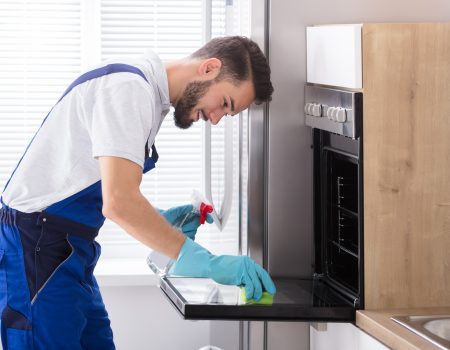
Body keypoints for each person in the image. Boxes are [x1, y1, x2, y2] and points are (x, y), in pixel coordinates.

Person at [0, 36, 275, 349]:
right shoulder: (129, 89)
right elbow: (118, 203)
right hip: (37, 251)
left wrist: (160, 222)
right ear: (210, 68)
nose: (215, 118)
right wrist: (202, 260)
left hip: (67, 250)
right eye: (225, 104)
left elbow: (104, 189)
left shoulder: (143, 94)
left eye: (226, 114)